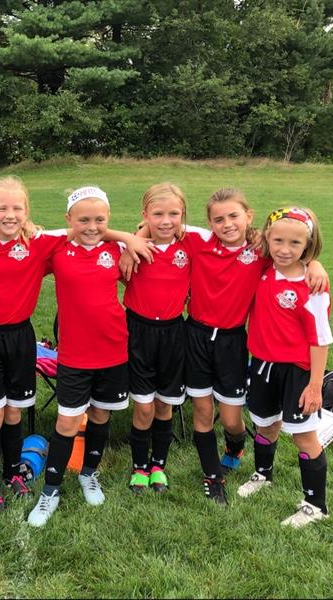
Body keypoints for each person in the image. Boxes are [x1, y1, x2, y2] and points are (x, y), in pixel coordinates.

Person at [0, 176, 152, 511]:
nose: (10, 214)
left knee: (16, 411)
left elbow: (93, 229)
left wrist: (127, 237)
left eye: (17, 208)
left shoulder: (49, 243)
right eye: (1, 208)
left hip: (36, 338)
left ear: (27, 211)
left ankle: (25, 473)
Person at [180, 189, 328, 504]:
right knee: (203, 410)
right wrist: (135, 238)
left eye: (234, 216)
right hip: (196, 336)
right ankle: (213, 478)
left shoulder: (261, 250)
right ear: (209, 222)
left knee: (232, 420)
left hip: (233, 341)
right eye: (218, 219)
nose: (227, 224)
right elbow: (154, 226)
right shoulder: (198, 240)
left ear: (248, 216)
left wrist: (315, 264)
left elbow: (293, 250)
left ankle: (235, 446)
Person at [27, 185, 131, 527]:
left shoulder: (119, 249)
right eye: (83, 220)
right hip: (74, 354)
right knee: (67, 422)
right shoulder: (57, 248)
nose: (92, 226)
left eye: (100, 219)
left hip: (113, 348)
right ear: (68, 219)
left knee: (100, 415)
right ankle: (50, 491)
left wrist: (128, 238)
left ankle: (88, 473)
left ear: (109, 218)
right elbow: (21, 237)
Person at [237, 206, 332, 527]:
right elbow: (233, 232)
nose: (285, 249)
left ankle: (316, 505)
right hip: (262, 364)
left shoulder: (313, 285)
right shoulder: (264, 268)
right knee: (265, 424)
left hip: (298, 371)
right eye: (278, 240)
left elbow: (320, 340)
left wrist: (315, 385)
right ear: (267, 237)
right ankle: (263, 475)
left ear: (308, 245)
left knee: (304, 436)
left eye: (295, 243)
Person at [122, 183, 190, 495]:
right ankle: (139, 467)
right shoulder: (132, 247)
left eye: (174, 214)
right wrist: (132, 240)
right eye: (157, 214)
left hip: (174, 333)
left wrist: (313, 262)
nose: (166, 221)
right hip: (138, 331)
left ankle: (158, 465)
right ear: (145, 214)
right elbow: (99, 235)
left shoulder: (190, 244)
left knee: (164, 404)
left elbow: (236, 235)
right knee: (144, 407)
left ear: (183, 215)